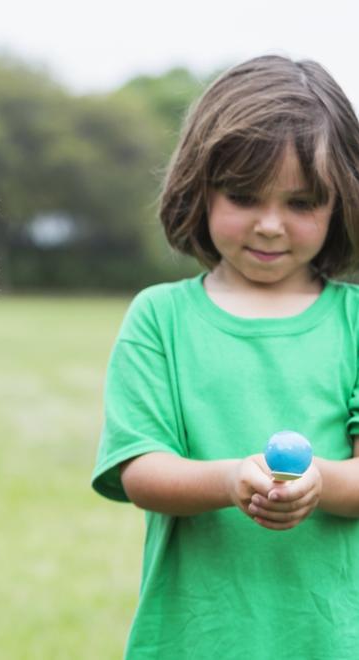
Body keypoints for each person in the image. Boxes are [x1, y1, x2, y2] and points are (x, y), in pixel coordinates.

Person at [91, 54, 359, 657]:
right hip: (192, 639)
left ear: (342, 201)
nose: (270, 225)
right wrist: (230, 479)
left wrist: (317, 482)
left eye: (302, 203)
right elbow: (140, 470)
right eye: (243, 196)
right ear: (200, 188)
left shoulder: (355, 322)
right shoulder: (160, 318)